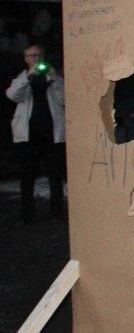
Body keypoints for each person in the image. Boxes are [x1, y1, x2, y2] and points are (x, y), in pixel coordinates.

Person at [5, 44, 66, 221]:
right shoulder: (22, 78)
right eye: (32, 56)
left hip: (51, 135)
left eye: (39, 55)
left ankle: (57, 211)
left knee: (55, 175)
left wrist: (55, 79)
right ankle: (27, 213)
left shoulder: (53, 77)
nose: (36, 59)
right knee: (27, 175)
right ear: (26, 58)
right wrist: (28, 77)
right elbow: (12, 95)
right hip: (28, 136)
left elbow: (64, 98)